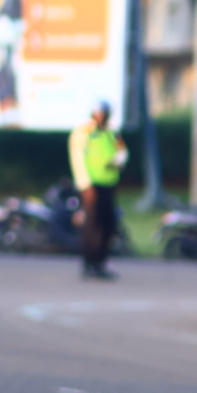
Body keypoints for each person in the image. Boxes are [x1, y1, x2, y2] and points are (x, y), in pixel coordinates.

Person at [68, 99, 127, 280]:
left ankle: (101, 262)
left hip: (108, 183)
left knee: (108, 224)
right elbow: (78, 159)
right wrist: (85, 185)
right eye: (100, 114)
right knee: (93, 225)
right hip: (91, 185)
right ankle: (90, 263)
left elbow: (122, 151)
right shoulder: (84, 132)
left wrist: (118, 161)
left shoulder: (111, 132)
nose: (102, 118)